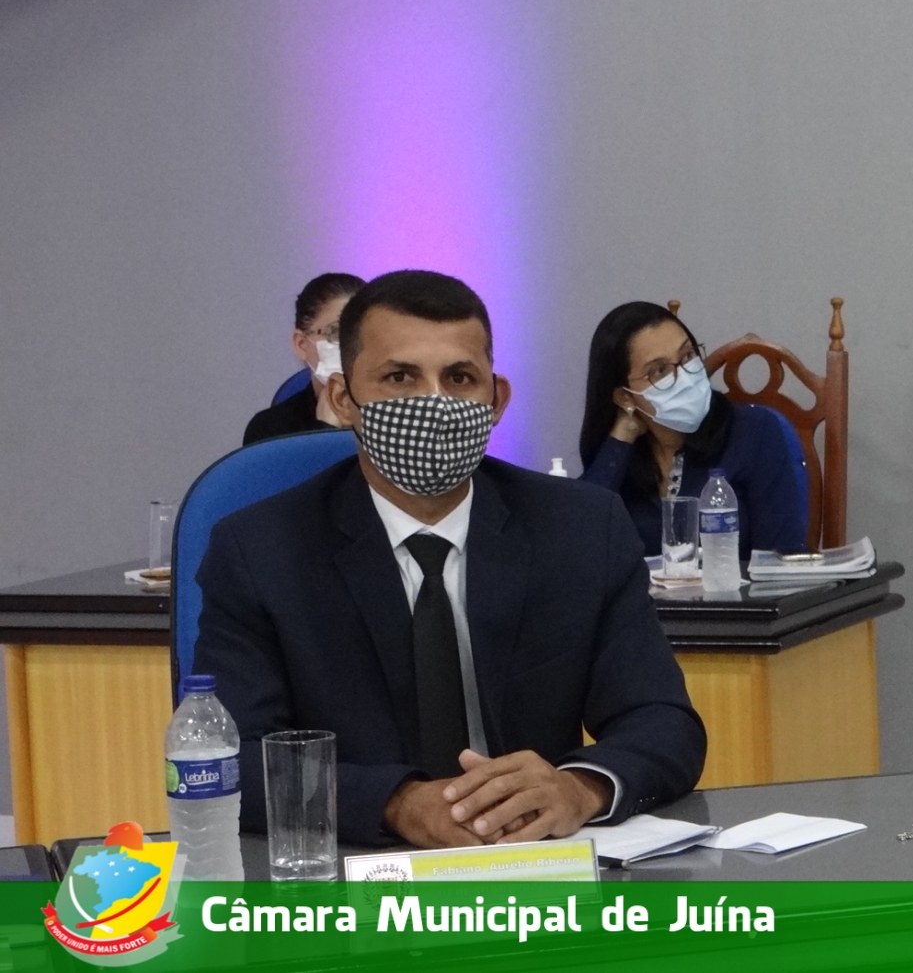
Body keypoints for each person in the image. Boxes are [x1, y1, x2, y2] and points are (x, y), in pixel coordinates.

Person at [195, 270, 706, 848]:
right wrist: (396, 803)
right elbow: (228, 759)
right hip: (358, 873)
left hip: (535, 866)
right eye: (399, 377)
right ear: (342, 399)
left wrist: (579, 787)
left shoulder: (582, 529)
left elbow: (664, 722)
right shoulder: (259, 551)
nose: (432, 403)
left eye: (460, 378)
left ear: (496, 399)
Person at [577, 301, 808, 557]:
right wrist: (622, 436)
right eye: (660, 370)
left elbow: (781, 559)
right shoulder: (621, 455)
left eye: (688, 356)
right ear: (625, 397)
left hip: (738, 584)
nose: (684, 376)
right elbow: (577, 538)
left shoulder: (757, 431)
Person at [243, 272, 364, 445]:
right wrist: (325, 430)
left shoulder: (394, 412)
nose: (352, 344)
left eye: (363, 332)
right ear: (301, 344)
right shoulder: (272, 429)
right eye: (336, 332)